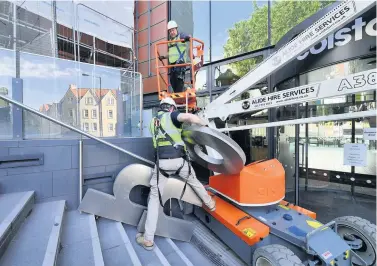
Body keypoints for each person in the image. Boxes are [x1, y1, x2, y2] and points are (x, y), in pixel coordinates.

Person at [136, 97, 216, 250]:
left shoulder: (153, 122)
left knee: (153, 198)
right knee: (194, 181)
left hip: (162, 165)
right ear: (171, 108)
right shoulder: (172, 116)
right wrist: (205, 125)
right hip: (179, 162)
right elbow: (189, 117)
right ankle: (210, 204)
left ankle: (148, 239)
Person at [159, 20, 191, 93]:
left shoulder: (180, 36)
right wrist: (163, 57)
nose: (171, 32)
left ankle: (180, 92)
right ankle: (178, 93)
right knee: (172, 80)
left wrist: (187, 37)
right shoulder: (170, 42)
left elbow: (187, 36)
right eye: (170, 31)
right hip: (173, 65)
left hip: (180, 63)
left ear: (176, 29)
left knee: (179, 79)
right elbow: (170, 53)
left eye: (173, 30)